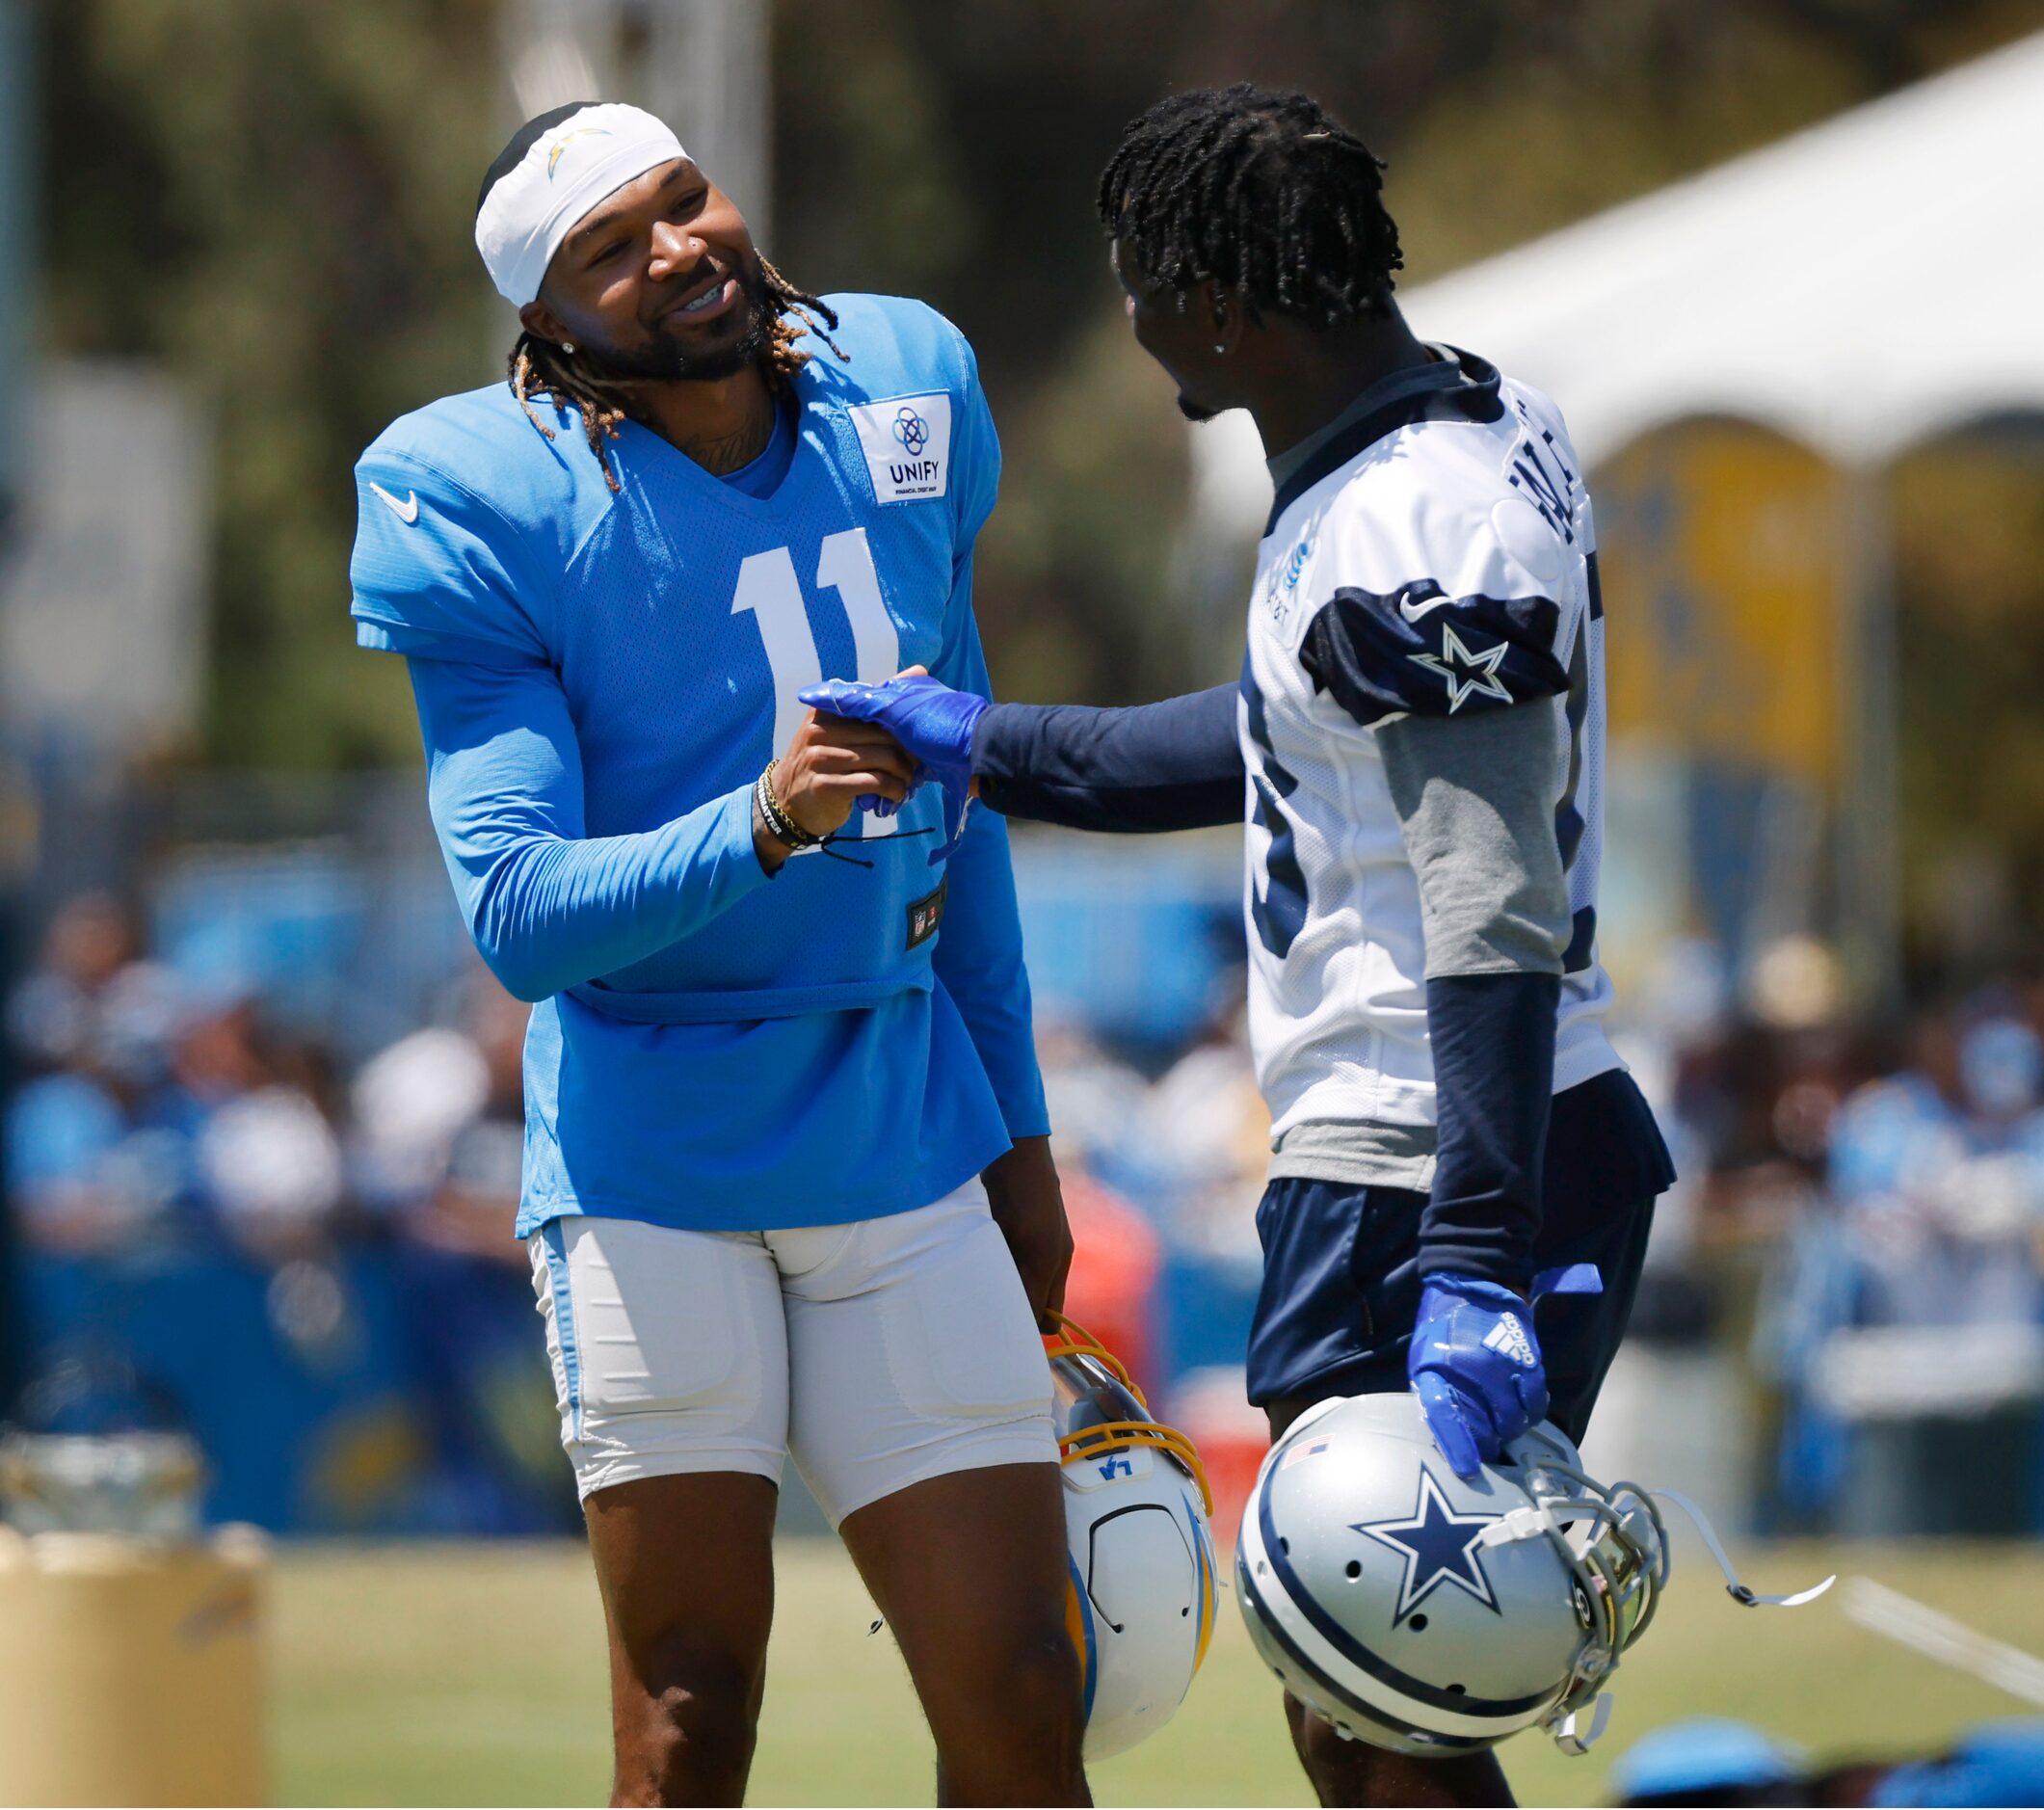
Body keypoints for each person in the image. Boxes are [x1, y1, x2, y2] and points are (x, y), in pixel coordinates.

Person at [806, 85, 1674, 1809]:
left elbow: (1482, 893)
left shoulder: (1409, 516)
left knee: (1379, 1704)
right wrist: (996, 746)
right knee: (1374, 1697)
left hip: (1428, 1160)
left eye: (1142, 285)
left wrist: (1477, 1260)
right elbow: (1285, 740)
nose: (1133, 324)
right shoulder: (1449, 433)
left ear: (1218, 300)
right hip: (1471, 1134)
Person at [348, 102, 1085, 1806]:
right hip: (652, 1160)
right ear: (547, 323)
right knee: (689, 1716)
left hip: (899, 1118)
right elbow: (520, 913)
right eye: (610, 247)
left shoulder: (906, 385)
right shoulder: (477, 493)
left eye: (680, 202)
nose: (674, 249)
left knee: (1024, 1692)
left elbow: (955, 817)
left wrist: (1023, 1140)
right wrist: (761, 819)